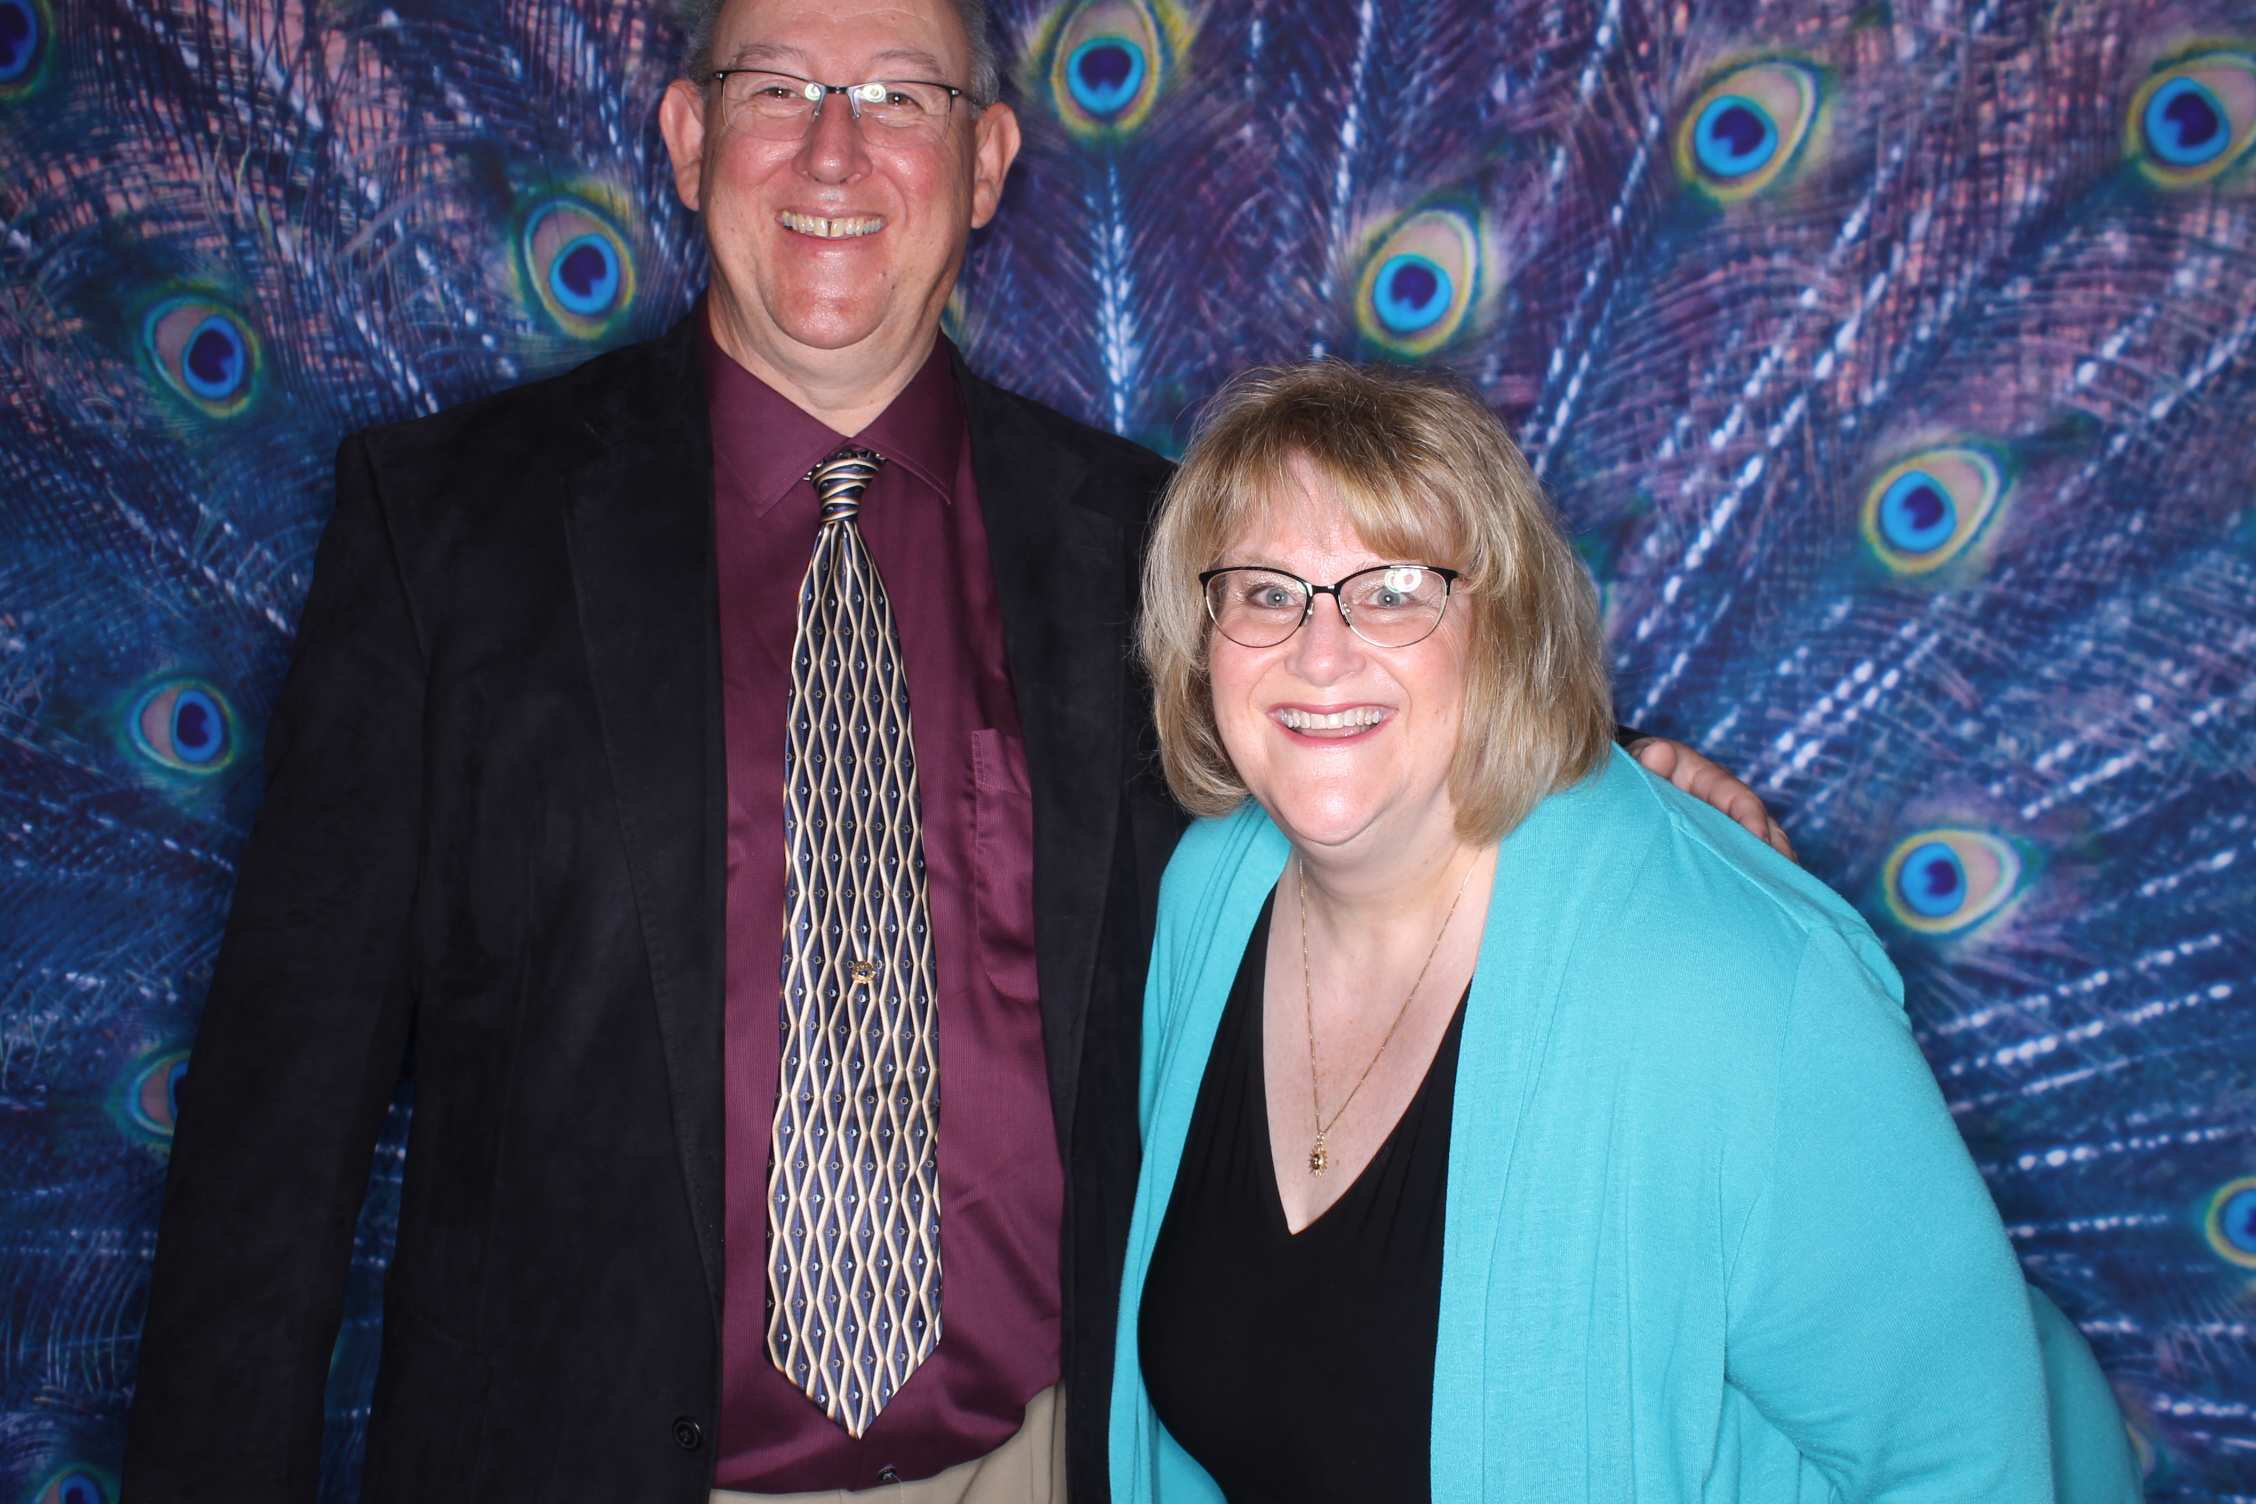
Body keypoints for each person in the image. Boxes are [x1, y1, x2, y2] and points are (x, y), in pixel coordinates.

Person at [119, 1, 1786, 1500]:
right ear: (692, 136)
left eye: (901, 99)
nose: (836, 151)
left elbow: (1354, 766)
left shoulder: (1131, 538)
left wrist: (1602, 790)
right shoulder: (446, 532)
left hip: (1035, 1462)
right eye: (779, 88)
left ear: (985, 162)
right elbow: (280, 1118)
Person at [1110, 361, 2142, 1502]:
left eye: (1394, 586)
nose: (1319, 649)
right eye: (1264, 589)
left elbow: (1964, 1461)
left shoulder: (1737, 987)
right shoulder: (1211, 893)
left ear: (1502, 625)